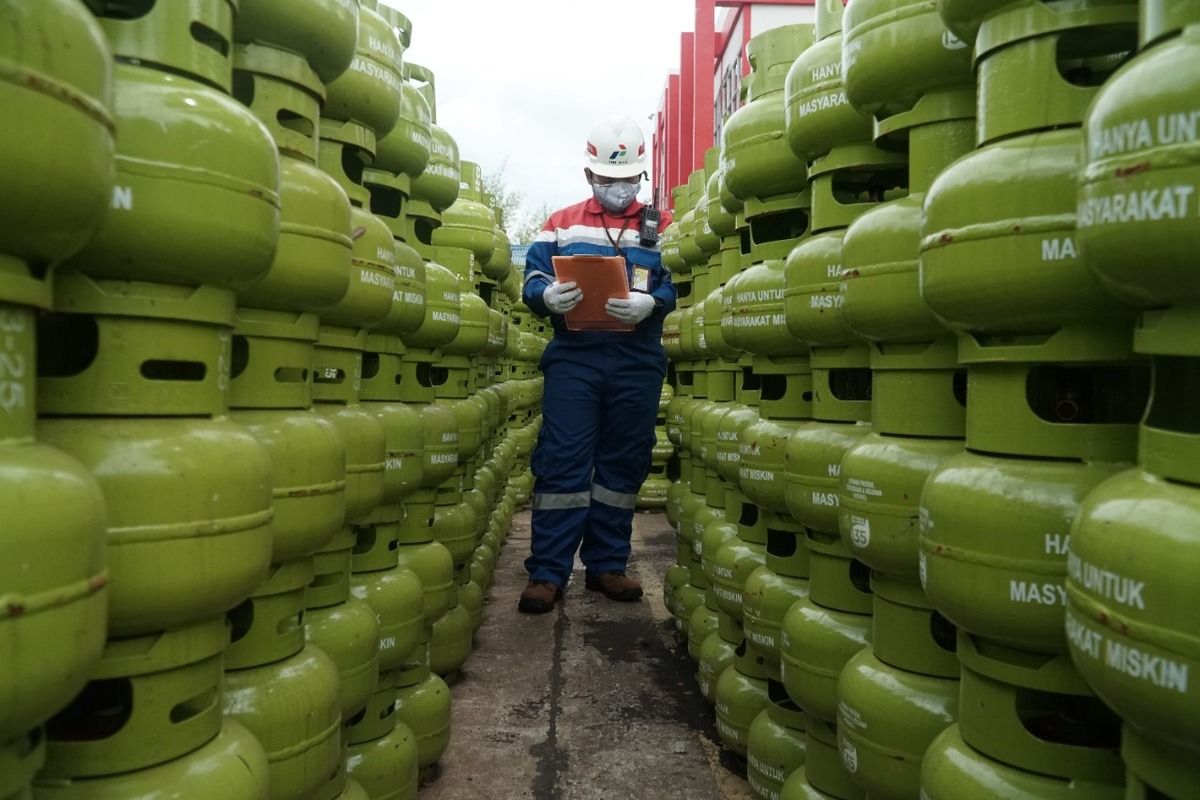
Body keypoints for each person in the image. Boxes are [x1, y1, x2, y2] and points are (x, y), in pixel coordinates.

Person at [517, 114, 676, 614]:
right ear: (589, 177)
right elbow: (532, 282)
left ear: (641, 176)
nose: (619, 188)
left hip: (637, 357)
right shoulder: (560, 224)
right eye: (608, 181)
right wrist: (547, 296)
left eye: (628, 179)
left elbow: (679, 281)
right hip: (576, 358)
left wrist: (656, 302)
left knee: (623, 461)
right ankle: (548, 572)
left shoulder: (663, 226)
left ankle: (608, 564)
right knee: (563, 458)